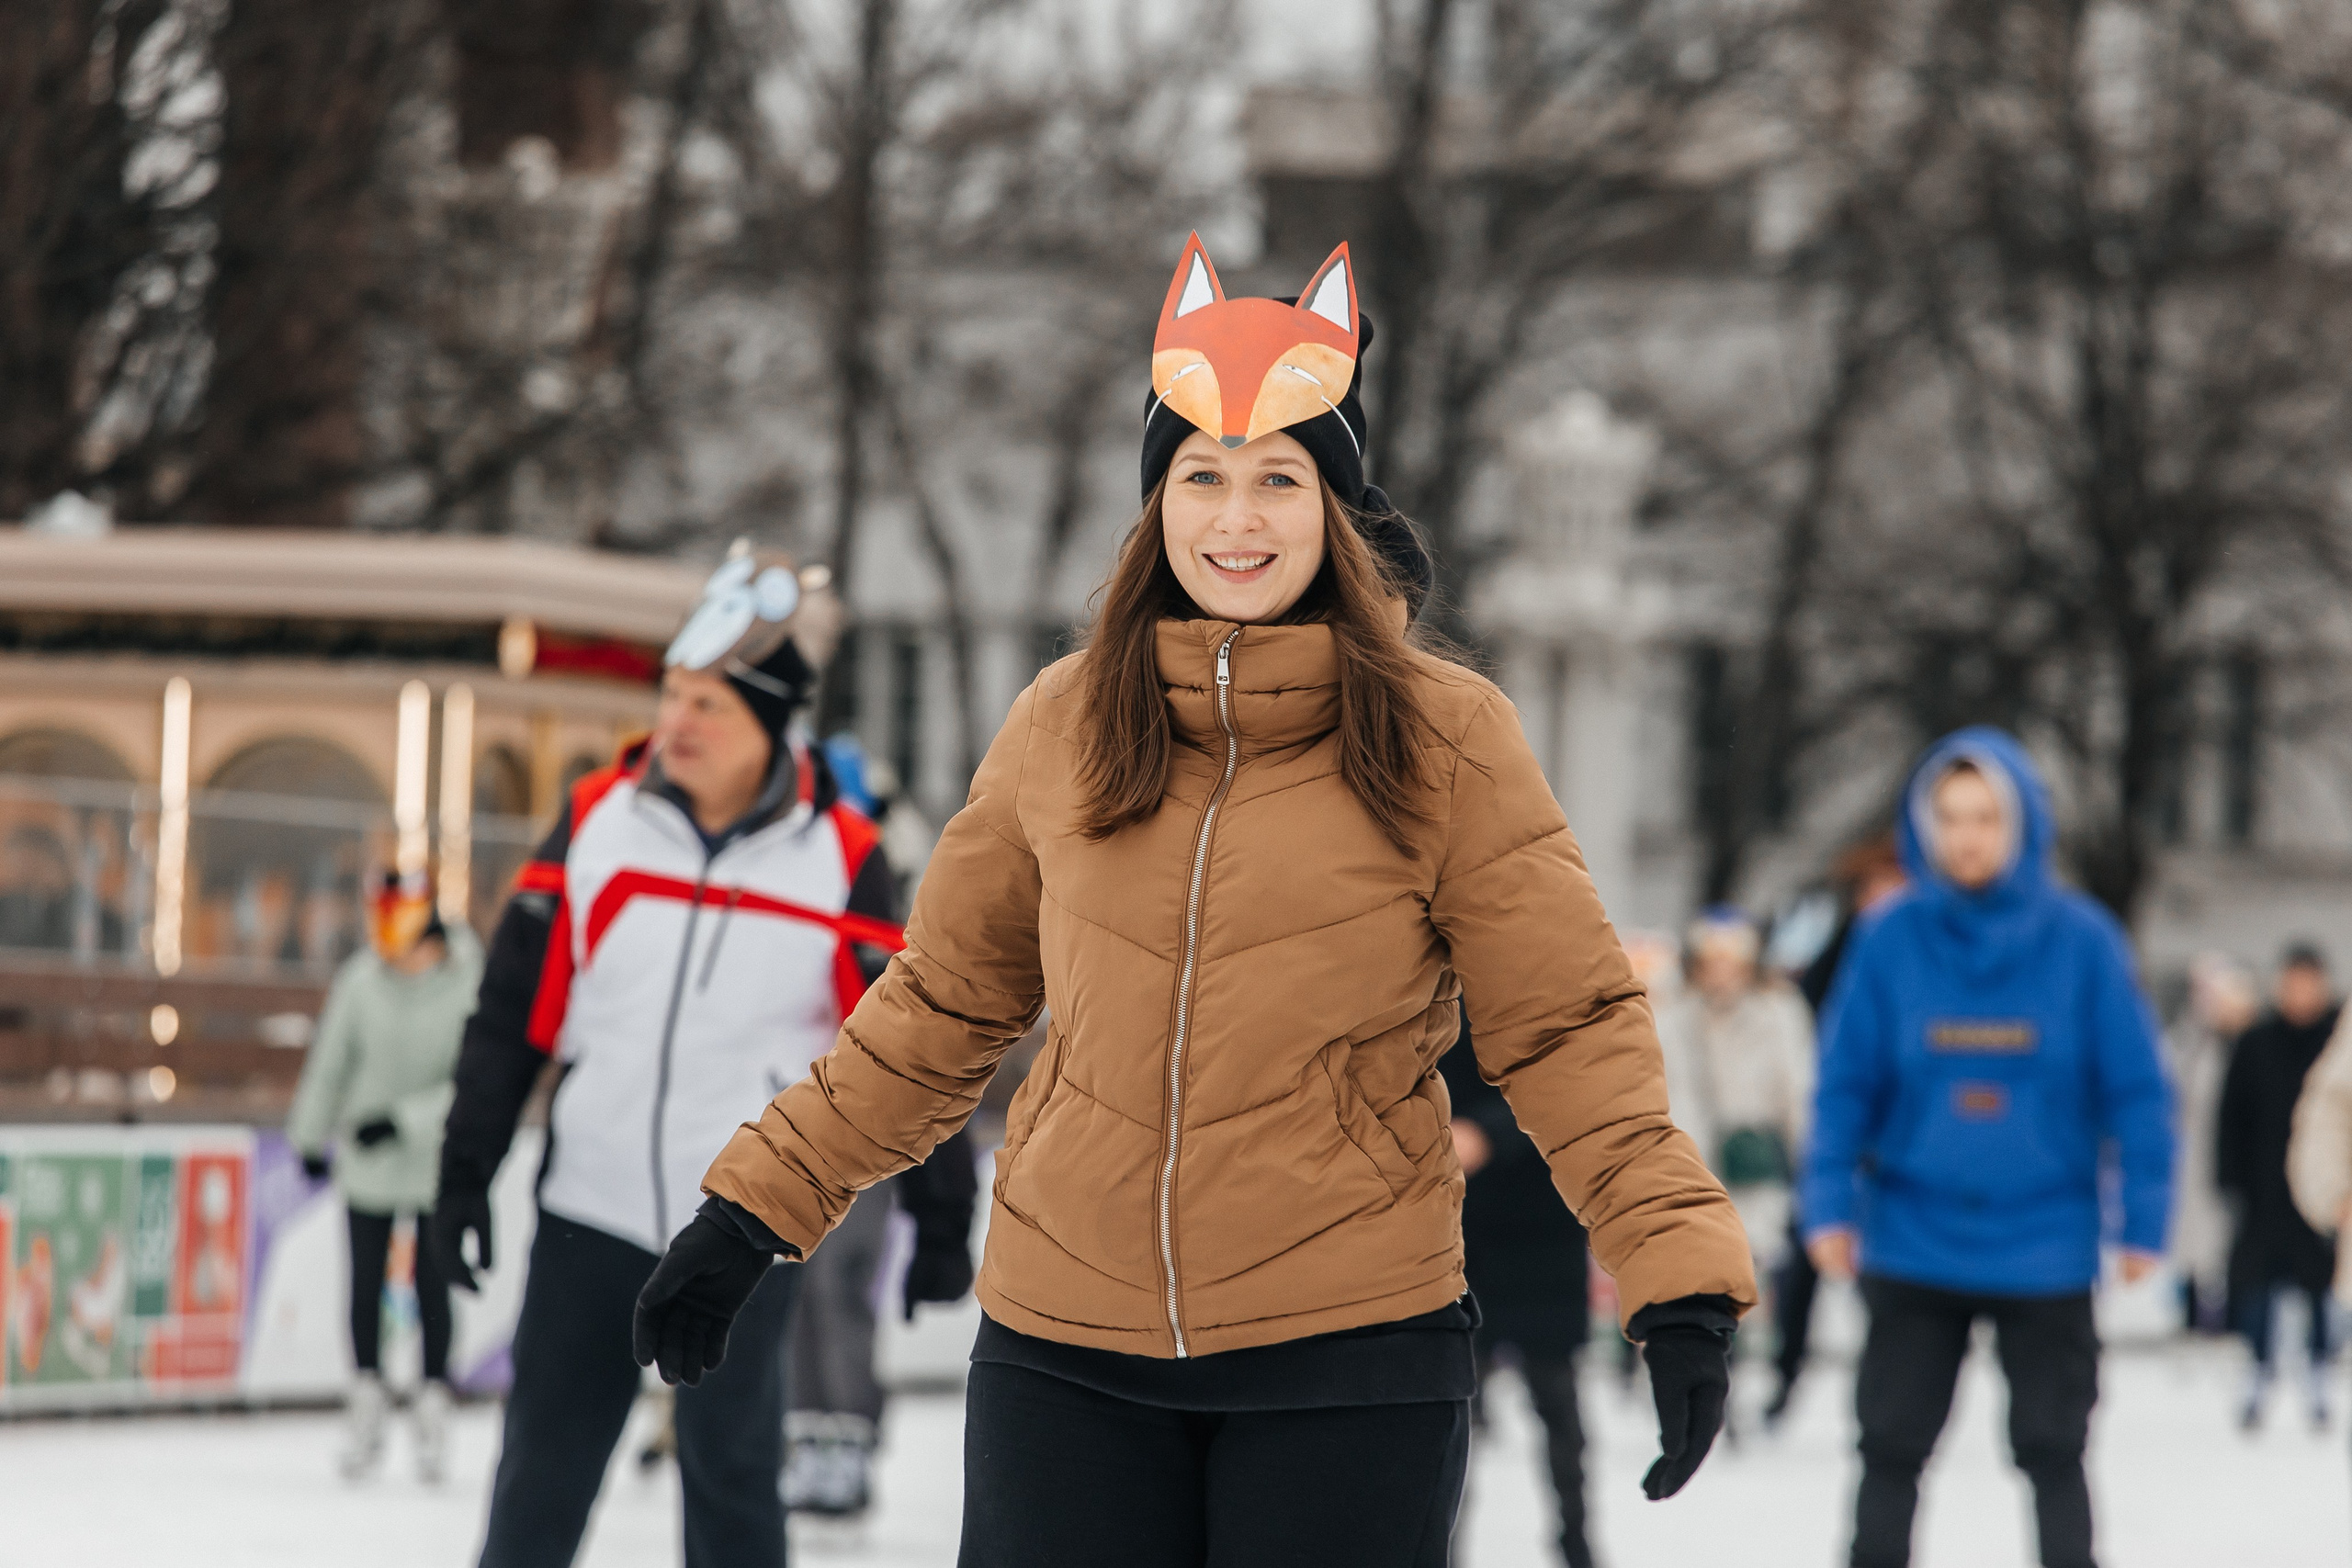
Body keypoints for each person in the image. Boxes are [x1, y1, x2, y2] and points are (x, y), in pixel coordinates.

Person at [630, 234, 1757, 1568]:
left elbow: (1567, 1026)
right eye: (1202, 475)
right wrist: (753, 1207)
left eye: (1280, 477)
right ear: (1157, 502)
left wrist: (1674, 1271)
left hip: (1349, 1353)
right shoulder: (1064, 720)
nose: (1238, 517)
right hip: (1066, 1349)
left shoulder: (1445, 735)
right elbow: (941, 1004)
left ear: (1334, 510)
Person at [431, 550, 944, 1568]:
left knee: (732, 1491)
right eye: (671, 693)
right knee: (540, 1482)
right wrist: (463, 1176)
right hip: (591, 1208)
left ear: (770, 718)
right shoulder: (595, 820)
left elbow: (909, 1048)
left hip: (743, 1231)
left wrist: (941, 1214)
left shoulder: (841, 853)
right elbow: (511, 1018)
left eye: (708, 702)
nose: (677, 722)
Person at [1802, 728, 2172, 1568]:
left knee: (2054, 1451)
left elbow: (2139, 1091)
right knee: (1890, 1448)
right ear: (1924, 825)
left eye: (1986, 817)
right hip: (1912, 1233)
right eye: (1951, 816)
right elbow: (1844, 1082)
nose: (1968, 835)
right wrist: (1826, 1202)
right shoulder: (1890, 938)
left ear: (2023, 824)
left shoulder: (2083, 941)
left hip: (2046, 1241)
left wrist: (2146, 1217)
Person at [286, 868, 481, 1481]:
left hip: (431, 1159)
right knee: (365, 1281)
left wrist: (406, 1121)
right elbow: (330, 1060)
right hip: (368, 1161)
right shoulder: (361, 980)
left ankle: (431, 1406)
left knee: (431, 1281)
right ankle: (366, 1401)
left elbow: (474, 1081)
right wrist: (308, 1133)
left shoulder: (465, 980)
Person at [1441, 1011, 1597, 1568]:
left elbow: (1574, 1083)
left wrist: (1489, 1132)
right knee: (1454, 1416)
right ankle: (1444, 1549)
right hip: (1460, 1235)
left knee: (1558, 1405)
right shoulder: (1433, 985)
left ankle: (1577, 1544)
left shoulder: (1543, 988)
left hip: (1541, 1230)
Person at [1770, 836, 1906, 1422]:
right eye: (1873, 887)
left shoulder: (1918, 954)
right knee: (1804, 1264)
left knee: (1886, 1279)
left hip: (1894, 1141)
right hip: (1832, 1132)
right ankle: (1785, 1377)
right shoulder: (1836, 955)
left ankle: (1890, 1385)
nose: (1882, 899)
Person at [2217, 942, 2341, 1429]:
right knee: (2256, 1285)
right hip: (2263, 1185)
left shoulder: (2337, 1039)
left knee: (2320, 1287)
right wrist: (2229, 1177)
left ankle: (2317, 1371)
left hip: (2324, 1192)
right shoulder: (2256, 1042)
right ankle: (2258, 1369)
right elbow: (2231, 1117)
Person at [2169, 955, 2258, 1335]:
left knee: (2233, 1239)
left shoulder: (2252, 1046)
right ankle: (2190, 1312)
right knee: (2192, 1242)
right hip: (2194, 1156)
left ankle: (2237, 1314)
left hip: (2238, 1156)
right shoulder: (2191, 1044)